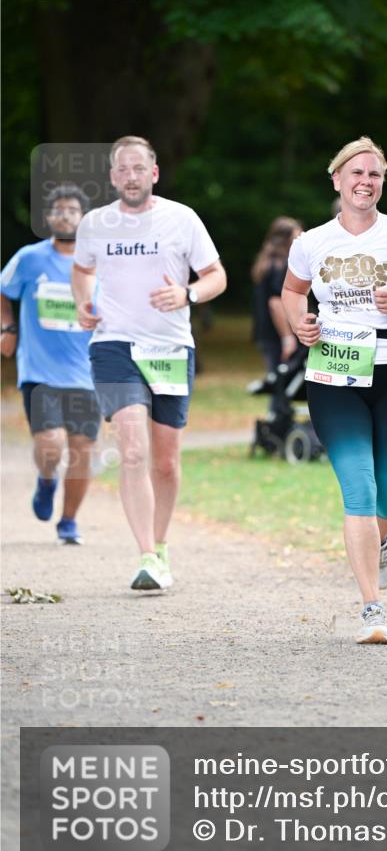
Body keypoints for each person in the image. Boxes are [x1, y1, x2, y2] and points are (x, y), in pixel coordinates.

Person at [282, 137, 387, 644]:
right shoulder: (311, 242)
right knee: (360, 488)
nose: (364, 182)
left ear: (382, 181)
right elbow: (291, 292)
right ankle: (372, 608)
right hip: (334, 373)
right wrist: (300, 326)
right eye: (355, 173)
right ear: (337, 180)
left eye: (373, 174)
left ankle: (378, 542)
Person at [71, 136, 227, 590]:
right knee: (133, 449)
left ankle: (160, 546)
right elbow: (82, 271)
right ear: (113, 176)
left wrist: (187, 294)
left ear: (153, 174)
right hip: (114, 345)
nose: (132, 176)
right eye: (123, 169)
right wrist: (84, 303)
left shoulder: (182, 219)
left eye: (140, 168)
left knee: (165, 460)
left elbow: (217, 276)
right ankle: (144, 555)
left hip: (170, 348)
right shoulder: (96, 224)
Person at [1, 185, 101, 544]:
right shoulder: (30, 258)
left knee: (83, 451)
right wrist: (8, 327)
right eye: (58, 210)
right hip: (39, 372)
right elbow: (3, 291)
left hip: (87, 374)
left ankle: (69, 521)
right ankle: (46, 481)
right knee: (51, 445)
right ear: (47, 218)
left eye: (72, 211)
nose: (65, 216)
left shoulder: (98, 263)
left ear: (83, 219)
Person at [251, 216, 303, 375]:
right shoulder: (281, 266)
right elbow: (276, 303)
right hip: (278, 334)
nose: (301, 239)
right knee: (282, 386)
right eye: (297, 235)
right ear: (286, 239)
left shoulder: (266, 262)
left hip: (265, 333)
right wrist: (287, 337)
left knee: (277, 379)